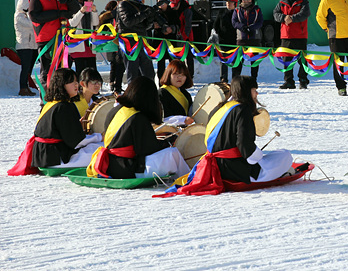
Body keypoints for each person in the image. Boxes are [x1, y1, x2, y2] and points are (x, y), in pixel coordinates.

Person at [162, 75, 295, 196]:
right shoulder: (243, 110)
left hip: (216, 166)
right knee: (284, 155)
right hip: (235, 170)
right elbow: (245, 147)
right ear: (246, 92)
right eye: (254, 90)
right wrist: (259, 157)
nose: (257, 93)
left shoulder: (219, 107)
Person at [87, 76, 190, 179]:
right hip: (127, 168)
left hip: (109, 165)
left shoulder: (115, 110)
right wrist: (167, 142)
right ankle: (186, 178)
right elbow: (148, 149)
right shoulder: (138, 117)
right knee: (172, 153)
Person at [7, 68, 102, 175]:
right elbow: (77, 141)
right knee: (101, 149)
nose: (76, 85)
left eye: (76, 82)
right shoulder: (64, 107)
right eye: (71, 82)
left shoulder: (52, 103)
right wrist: (100, 136)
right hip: (54, 158)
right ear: (62, 85)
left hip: (42, 155)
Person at [28, 0, 81, 94]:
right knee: (47, 71)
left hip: (63, 37)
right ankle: (45, 101)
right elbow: (34, 16)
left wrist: (70, 0)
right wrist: (58, 13)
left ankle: (61, 97)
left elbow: (76, 11)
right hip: (46, 38)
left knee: (62, 70)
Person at [117, 0, 172, 83]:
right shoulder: (123, 5)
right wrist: (145, 14)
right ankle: (134, 96)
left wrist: (163, 24)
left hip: (143, 42)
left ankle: (149, 94)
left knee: (149, 73)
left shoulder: (142, 6)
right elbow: (129, 22)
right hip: (130, 44)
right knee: (133, 74)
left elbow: (153, 19)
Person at [273, 0, 311, 89]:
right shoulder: (281, 3)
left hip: (300, 35)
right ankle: (289, 80)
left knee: (302, 60)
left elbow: (304, 14)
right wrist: (284, 18)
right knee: (286, 60)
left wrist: (292, 18)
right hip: (286, 36)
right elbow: (275, 14)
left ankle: (303, 80)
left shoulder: (304, 2)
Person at [232, 0, 264, 80]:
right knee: (238, 61)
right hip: (241, 39)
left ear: (252, 0)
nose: (246, 1)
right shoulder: (237, 10)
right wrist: (243, 27)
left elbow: (260, 22)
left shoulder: (257, 9)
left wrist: (251, 27)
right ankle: (235, 79)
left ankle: (254, 78)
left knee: (254, 61)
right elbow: (234, 22)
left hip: (254, 39)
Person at [99, 0, 127, 94]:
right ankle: (115, 86)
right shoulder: (110, 15)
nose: (120, 2)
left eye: (122, 0)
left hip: (125, 42)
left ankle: (117, 85)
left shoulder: (127, 12)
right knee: (116, 65)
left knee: (120, 65)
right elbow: (102, 28)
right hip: (114, 43)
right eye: (119, 0)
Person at [68, 0, 99, 75]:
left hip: (89, 44)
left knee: (92, 69)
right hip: (79, 43)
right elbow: (73, 23)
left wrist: (94, 12)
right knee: (80, 69)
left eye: (92, 1)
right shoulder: (75, 9)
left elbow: (96, 23)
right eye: (88, 1)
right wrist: (81, 12)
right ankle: (81, 86)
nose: (91, 2)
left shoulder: (91, 11)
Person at [14, 0, 38, 96]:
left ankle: (26, 86)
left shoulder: (26, 15)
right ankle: (22, 87)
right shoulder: (19, 15)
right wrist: (30, 13)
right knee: (25, 67)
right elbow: (31, 24)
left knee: (29, 68)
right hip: (24, 46)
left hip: (32, 45)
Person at [158, 59, 195, 124]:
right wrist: (182, 120)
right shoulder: (161, 93)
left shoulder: (186, 94)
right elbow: (162, 119)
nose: (180, 77)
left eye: (183, 75)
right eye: (176, 74)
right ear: (169, 75)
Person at [168, 0, 195, 77]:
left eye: (176, 5)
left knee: (188, 55)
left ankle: (190, 75)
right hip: (176, 35)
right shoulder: (172, 10)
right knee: (177, 55)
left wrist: (183, 37)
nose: (174, 8)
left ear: (179, 2)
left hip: (186, 36)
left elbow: (188, 25)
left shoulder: (187, 10)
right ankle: (179, 72)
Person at [214, 0, 238, 84]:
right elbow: (216, 25)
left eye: (231, 2)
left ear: (235, 4)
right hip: (223, 41)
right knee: (223, 60)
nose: (228, 4)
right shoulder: (221, 12)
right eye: (227, 2)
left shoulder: (238, 13)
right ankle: (223, 78)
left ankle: (235, 78)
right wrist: (219, 34)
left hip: (234, 41)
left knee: (235, 61)